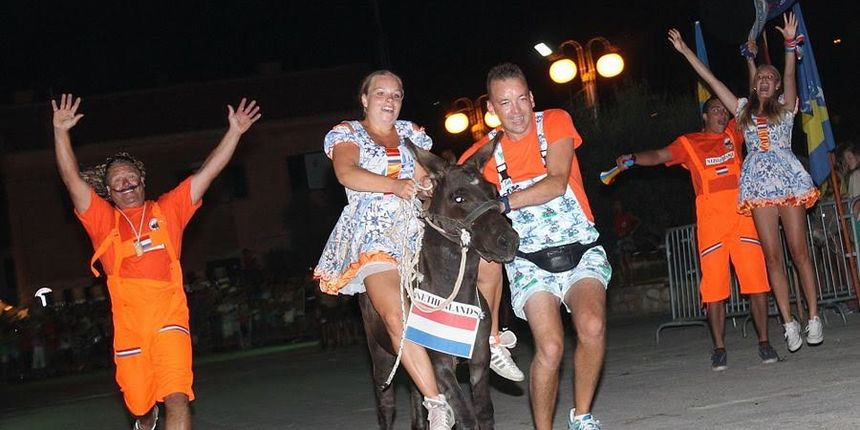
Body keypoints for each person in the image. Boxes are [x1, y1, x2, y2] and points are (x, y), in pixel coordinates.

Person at [52, 93, 261, 430]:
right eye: (117, 181)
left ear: (142, 181)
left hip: (169, 318)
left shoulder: (167, 210)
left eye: (130, 176)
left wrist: (234, 132)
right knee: (140, 406)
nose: (126, 182)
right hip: (130, 327)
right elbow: (70, 180)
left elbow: (207, 173)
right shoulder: (102, 220)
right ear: (107, 192)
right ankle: (145, 421)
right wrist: (61, 132)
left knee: (177, 395)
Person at [459, 63, 610, 430]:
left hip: (580, 249)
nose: (516, 111)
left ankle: (582, 417)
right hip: (529, 263)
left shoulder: (555, 122)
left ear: (532, 98)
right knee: (552, 347)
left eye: (521, 99)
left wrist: (504, 203)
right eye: (505, 103)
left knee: (591, 326)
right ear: (491, 111)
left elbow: (558, 183)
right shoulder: (482, 156)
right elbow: (451, 191)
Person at [668, 13, 823, 352]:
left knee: (797, 251)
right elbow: (710, 78)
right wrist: (684, 51)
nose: (766, 80)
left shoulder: (785, 106)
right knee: (771, 256)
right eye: (761, 77)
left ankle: (813, 316)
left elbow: (791, 71)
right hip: (758, 184)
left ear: (777, 85)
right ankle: (787, 322)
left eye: (771, 77)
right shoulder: (741, 110)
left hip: (787, 177)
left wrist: (787, 45)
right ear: (755, 84)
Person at [313, 70, 454, 430]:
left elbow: (427, 178)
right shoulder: (348, 134)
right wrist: (394, 185)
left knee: (476, 250)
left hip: (417, 228)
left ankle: (493, 337)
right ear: (364, 98)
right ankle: (436, 403)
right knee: (395, 316)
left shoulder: (412, 133)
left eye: (396, 94)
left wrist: (426, 185)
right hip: (373, 235)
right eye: (381, 94)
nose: (389, 101)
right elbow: (346, 173)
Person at [616, 97, 779, 370]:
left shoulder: (733, 133)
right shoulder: (689, 143)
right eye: (715, 109)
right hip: (711, 225)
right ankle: (718, 349)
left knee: (757, 285)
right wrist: (633, 159)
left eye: (724, 110)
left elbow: (754, 110)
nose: (721, 113)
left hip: (743, 219)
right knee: (714, 291)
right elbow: (658, 155)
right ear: (704, 117)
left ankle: (764, 342)